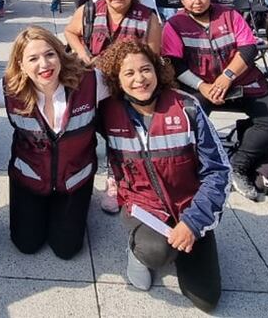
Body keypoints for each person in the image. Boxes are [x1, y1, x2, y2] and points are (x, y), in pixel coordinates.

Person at [94, 39, 228, 311]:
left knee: (207, 299)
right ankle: (137, 251)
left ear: (157, 70)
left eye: (146, 70)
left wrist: (193, 222)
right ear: (116, 80)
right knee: (157, 252)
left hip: (190, 207)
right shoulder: (108, 112)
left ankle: (188, 237)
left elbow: (219, 171)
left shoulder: (187, 107)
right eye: (128, 73)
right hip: (143, 207)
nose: (139, 79)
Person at [0, 27, 105, 259]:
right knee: (26, 245)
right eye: (33, 58)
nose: (44, 65)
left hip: (74, 179)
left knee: (67, 250)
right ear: (21, 64)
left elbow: (127, 84)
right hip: (30, 178)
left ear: (60, 54)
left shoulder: (91, 82)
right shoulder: (9, 89)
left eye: (50, 54)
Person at [162, 0, 268, 200]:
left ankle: (239, 164)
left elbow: (248, 49)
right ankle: (200, 166)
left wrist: (227, 76)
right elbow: (175, 63)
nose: (197, 1)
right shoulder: (174, 24)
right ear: (181, 0)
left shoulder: (230, 14)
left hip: (241, 80)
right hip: (200, 85)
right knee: (188, 119)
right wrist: (203, 86)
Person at [64, 0, 161, 67]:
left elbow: (152, 58)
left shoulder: (148, 18)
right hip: (93, 75)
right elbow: (70, 32)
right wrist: (82, 53)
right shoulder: (89, 11)